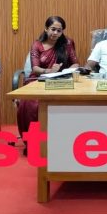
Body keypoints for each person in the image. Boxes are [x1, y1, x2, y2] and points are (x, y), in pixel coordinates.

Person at [17, 16, 80, 144]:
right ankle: (34, 142)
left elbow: (75, 63)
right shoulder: (37, 45)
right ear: (46, 29)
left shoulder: (67, 43)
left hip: (61, 80)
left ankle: (61, 140)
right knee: (31, 104)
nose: (55, 33)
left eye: (59, 30)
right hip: (39, 80)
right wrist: (49, 71)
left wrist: (64, 72)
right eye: (53, 29)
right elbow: (35, 68)